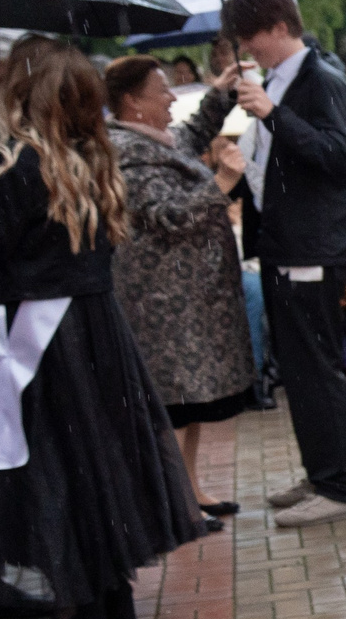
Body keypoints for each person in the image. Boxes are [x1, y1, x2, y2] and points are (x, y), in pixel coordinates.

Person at [0, 37, 200, 619]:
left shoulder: (26, 166)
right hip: (92, 326)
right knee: (92, 458)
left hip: (40, 333)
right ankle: (105, 592)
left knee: (49, 464)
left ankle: (74, 599)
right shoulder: (87, 157)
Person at [212, 0, 346, 528]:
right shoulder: (284, 81)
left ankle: (340, 485)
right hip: (287, 244)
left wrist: (275, 114)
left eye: (251, 37)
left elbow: (344, 158)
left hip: (314, 246)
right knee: (299, 368)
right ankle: (324, 472)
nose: (246, 50)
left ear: (280, 26)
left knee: (315, 365)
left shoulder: (323, 81)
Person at [103, 55, 256, 522]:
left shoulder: (152, 140)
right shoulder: (121, 151)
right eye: (162, 90)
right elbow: (171, 216)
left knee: (192, 402)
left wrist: (222, 93)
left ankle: (188, 491)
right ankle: (169, 502)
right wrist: (223, 182)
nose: (172, 97)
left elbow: (187, 138)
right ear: (133, 102)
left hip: (187, 301)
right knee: (173, 405)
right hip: (161, 302)